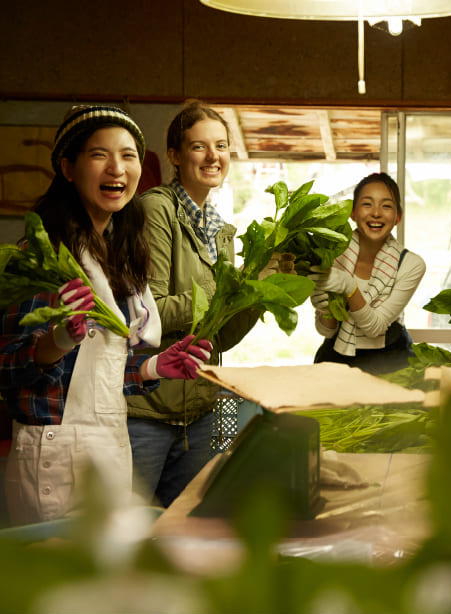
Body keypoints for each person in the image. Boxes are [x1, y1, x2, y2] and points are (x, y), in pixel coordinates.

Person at [0, 105, 211, 525]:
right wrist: (57, 341)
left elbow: (98, 374)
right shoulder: (43, 258)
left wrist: (152, 367)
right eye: (99, 154)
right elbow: (7, 367)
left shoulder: (118, 257)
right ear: (68, 168)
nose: (117, 168)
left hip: (110, 448)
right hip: (55, 455)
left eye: (128, 155)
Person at [126, 102, 288, 508]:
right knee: (130, 531)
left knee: (188, 528)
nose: (213, 156)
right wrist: (228, 287)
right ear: (176, 156)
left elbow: (221, 338)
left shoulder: (220, 230)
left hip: (200, 413)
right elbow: (151, 316)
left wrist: (256, 292)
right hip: (147, 412)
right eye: (199, 146)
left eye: (221, 146)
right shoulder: (156, 209)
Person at [310, 172, 425, 375]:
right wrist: (325, 308)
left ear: (398, 217)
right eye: (367, 204)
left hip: (392, 362)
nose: (376, 213)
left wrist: (349, 287)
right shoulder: (332, 254)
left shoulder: (410, 265)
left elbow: (375, 327)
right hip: (337, 358)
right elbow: (326, 330)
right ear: (353, 213)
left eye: (386, 206)